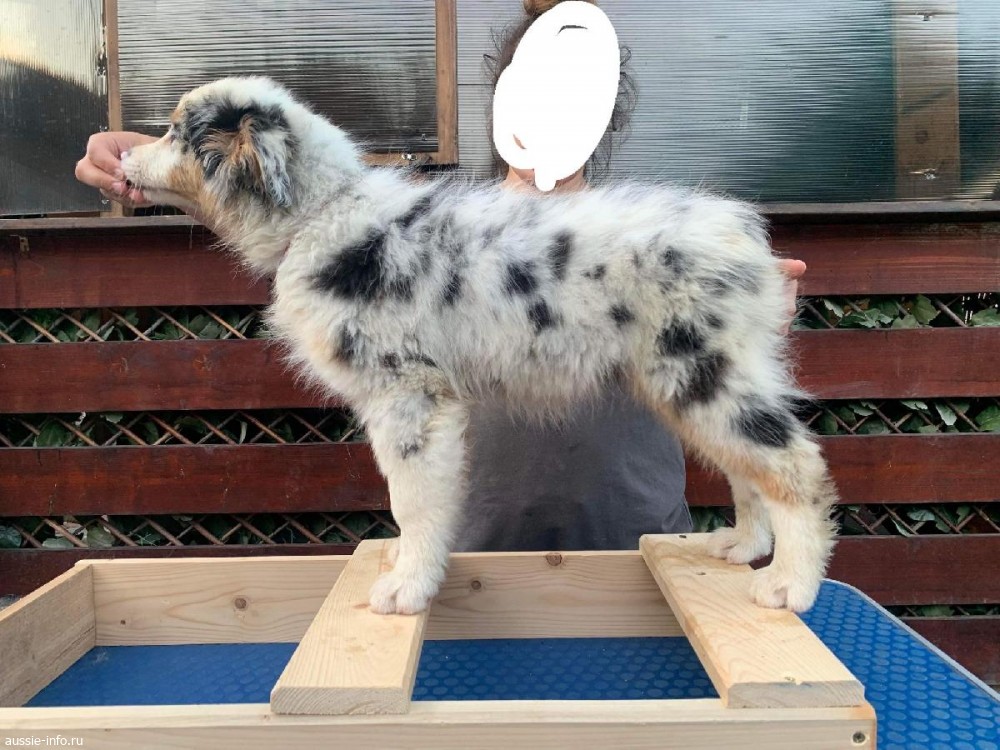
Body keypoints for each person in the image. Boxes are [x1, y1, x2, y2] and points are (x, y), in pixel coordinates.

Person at [75, 0, 805, 553]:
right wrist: (147, 160)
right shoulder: (420, 227)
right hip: (477, 552)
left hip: (638, 544)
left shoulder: (652, 240)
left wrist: (755, 309)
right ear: (504, 100)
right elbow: (276, 193)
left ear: (604, 111)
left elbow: (721, 378)